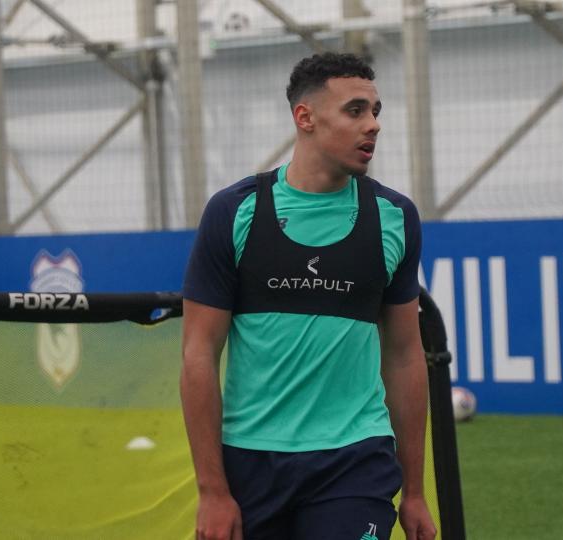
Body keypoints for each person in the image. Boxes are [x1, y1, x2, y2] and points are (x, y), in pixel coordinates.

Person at [181, 52, 436, 540]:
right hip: (250, 461)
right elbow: (198, 354)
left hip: (356, 459)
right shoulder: (234, 211)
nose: (374, 126)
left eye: (376, 111)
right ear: (305, 118)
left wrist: (417, 492)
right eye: (356, 110)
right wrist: (213, 491)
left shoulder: (396, 216)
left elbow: (405, 355)